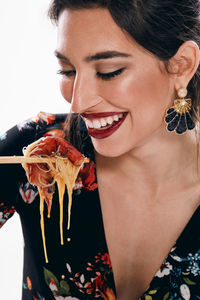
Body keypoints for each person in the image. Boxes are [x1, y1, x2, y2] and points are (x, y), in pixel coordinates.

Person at [0, 0, 200, 299]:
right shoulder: (39, 152)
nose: (78, 102)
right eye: (67, 71)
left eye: (109, 71)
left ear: (181, 65)